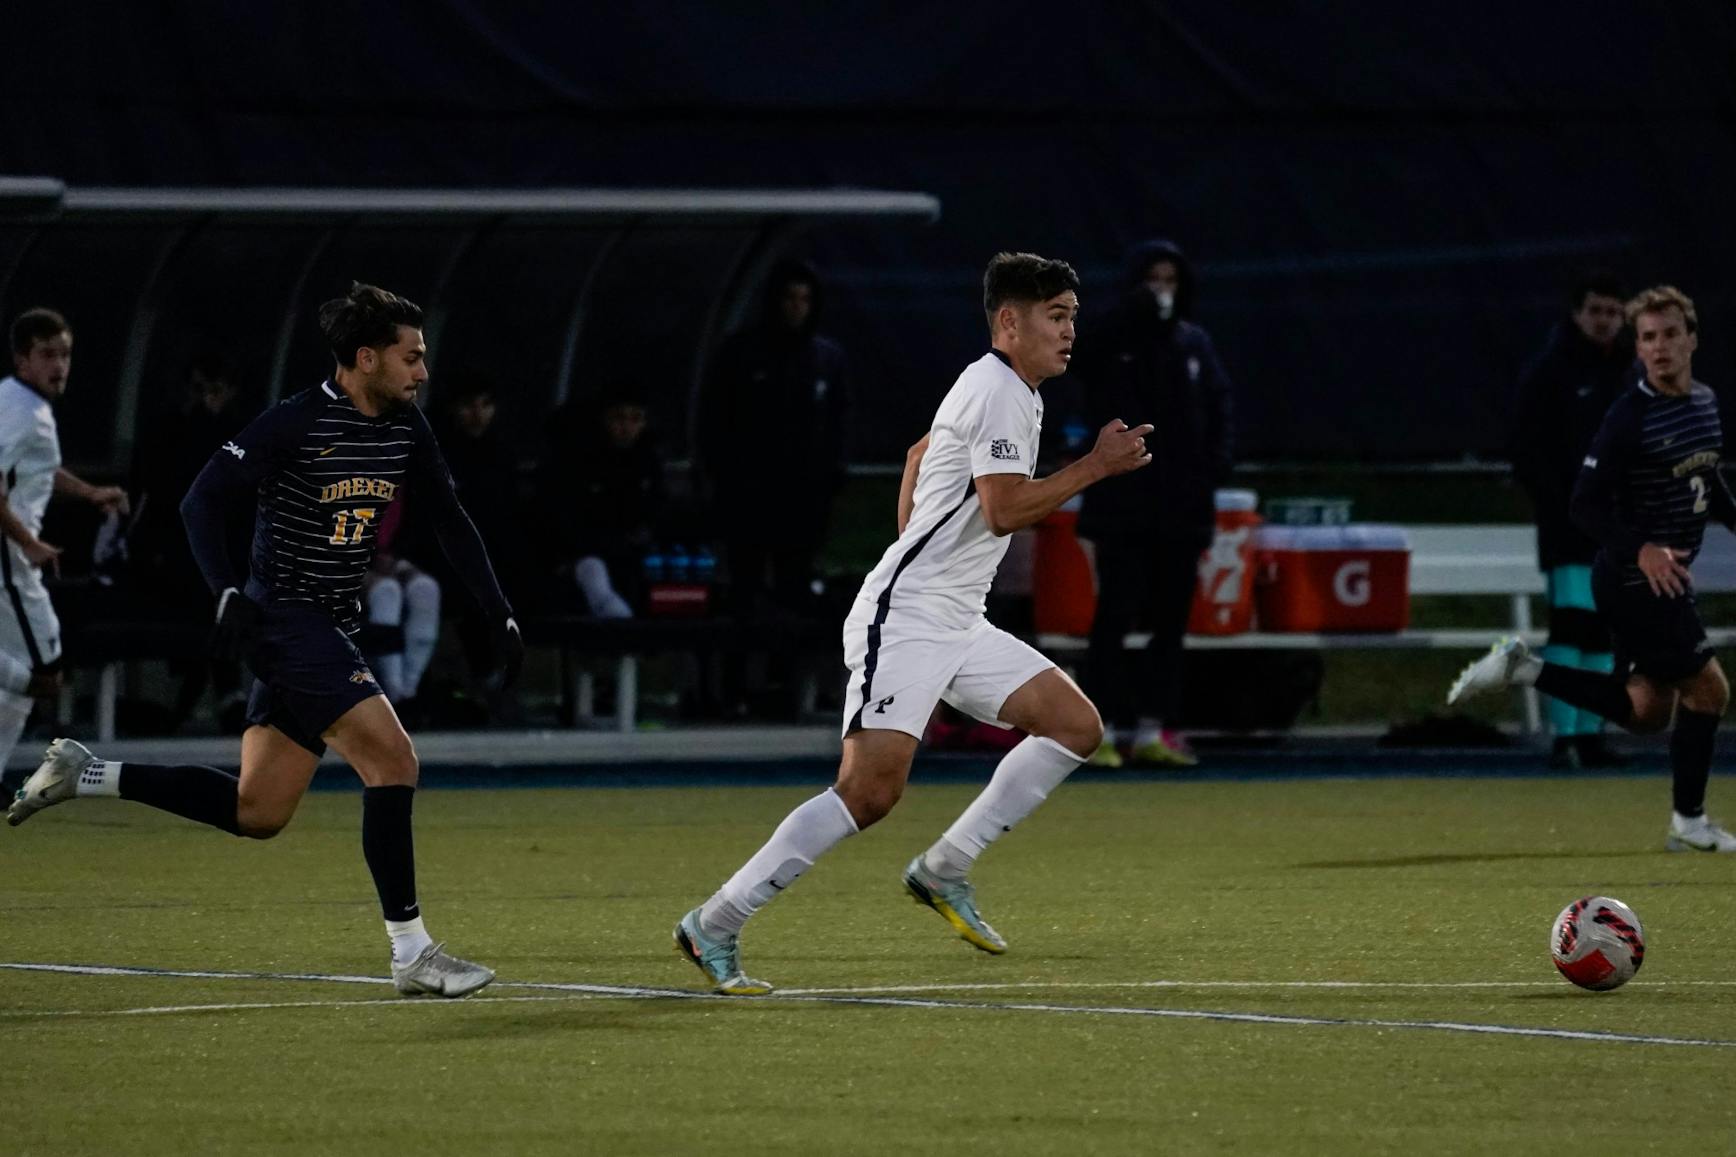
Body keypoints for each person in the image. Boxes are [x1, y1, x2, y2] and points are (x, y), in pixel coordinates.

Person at [7, 283, 525, 994]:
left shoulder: (407, 427)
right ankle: (412, 952)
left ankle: (88, 773)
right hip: (287, 622)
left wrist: (496, 608)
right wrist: (224, 588)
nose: (422, 372)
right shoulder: (294, 422)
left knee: (259, 811)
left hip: (326, 627)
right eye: (413, 357)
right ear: (366, 357)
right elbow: (200, 499)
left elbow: (449, 518)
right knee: (394, 760)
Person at [672, 252, 1153, 993]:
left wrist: (911, 549)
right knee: (868, 793)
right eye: (1056, 316)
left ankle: (945, 867)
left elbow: (920, 453)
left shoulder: (1010, 390)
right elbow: (1002, 511)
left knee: (1074, 724)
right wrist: (1095, 466)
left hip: (955, 616)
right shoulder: (996, 385)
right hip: (908, 619)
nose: (1069, 332)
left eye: (1072, 317)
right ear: (1009, 321)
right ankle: (716, 922)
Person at [1450, 285, 1736, 852]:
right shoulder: (1630, 416)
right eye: (1647, 338)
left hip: (1660, 579)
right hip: (1636, 580)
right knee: (1709, 691)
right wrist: (1642, 550)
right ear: (1638, 349)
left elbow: (1706, 477)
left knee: (1644, 711)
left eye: (1669, 335)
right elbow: (1583, 502)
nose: (1657, 348)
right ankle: (1690, 823)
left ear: (1692, 340)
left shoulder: (1704, 402)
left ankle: (1524, 669)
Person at [1071, 239, 1233, 768]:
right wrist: (1128, 317)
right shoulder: (1113, 341)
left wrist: (1208, 473)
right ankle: (1099, 730)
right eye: (1152, 280)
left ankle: (1153, 730)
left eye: (1170, 280)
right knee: (1113, 617)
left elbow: (1218, 413)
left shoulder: (1193, 345)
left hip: (1181, 511)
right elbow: (1082, 363)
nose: (1161, 291)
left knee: (1169, 624)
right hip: (1123, 508)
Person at [1510, 269, 1634, 767]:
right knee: (1571, 626)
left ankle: (1589, 734)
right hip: (1568, 525)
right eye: (1595, 311)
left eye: (1612, 312)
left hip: (1615, 527)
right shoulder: (1551, 372)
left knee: (1604, 629)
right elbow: (1527, 448)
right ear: (1577, 314)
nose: (1604, 321)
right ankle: (1565, 736)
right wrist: (1562, 504)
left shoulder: (1627, 373)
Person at [0, 309, 130, 776]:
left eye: (65, 354)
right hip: (8, 563)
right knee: (45, 675)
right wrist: (28, 542)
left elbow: (35, 470)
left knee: (26, 679)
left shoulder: (20, 402)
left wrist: (90, 492)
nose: (59, 365)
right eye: (47, 354)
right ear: (22, 360)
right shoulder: (21, 409)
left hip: (14, 561)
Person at [700, 259, 849, 613]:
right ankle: (736, 666)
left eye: (804, 299)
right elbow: (715, 417)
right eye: (789, 298)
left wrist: (830, 478)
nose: (796, 307)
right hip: (748, 495)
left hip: (802, 498)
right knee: (743, 586)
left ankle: (783, 668)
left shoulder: (826, 360)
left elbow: (839, 422)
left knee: (793, 590)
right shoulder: (741, 353)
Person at [129, 352, 253, 729]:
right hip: (177, 556)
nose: (207, 398)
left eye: (215, 390)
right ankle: (222, 695)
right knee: (210, 596)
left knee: (222, 594)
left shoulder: (237, 434)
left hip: (221, 553)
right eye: (201, 389)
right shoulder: (173, 433)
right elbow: (160, 498)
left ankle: (202, 699)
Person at [539, 389, 666, 619]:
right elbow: (566, 516)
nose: (627, 427)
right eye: (619, 418)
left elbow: (656, 509)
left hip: (633, 550)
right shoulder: (582, 461)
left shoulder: (649, 461)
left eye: (635, 419)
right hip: (589, 550)